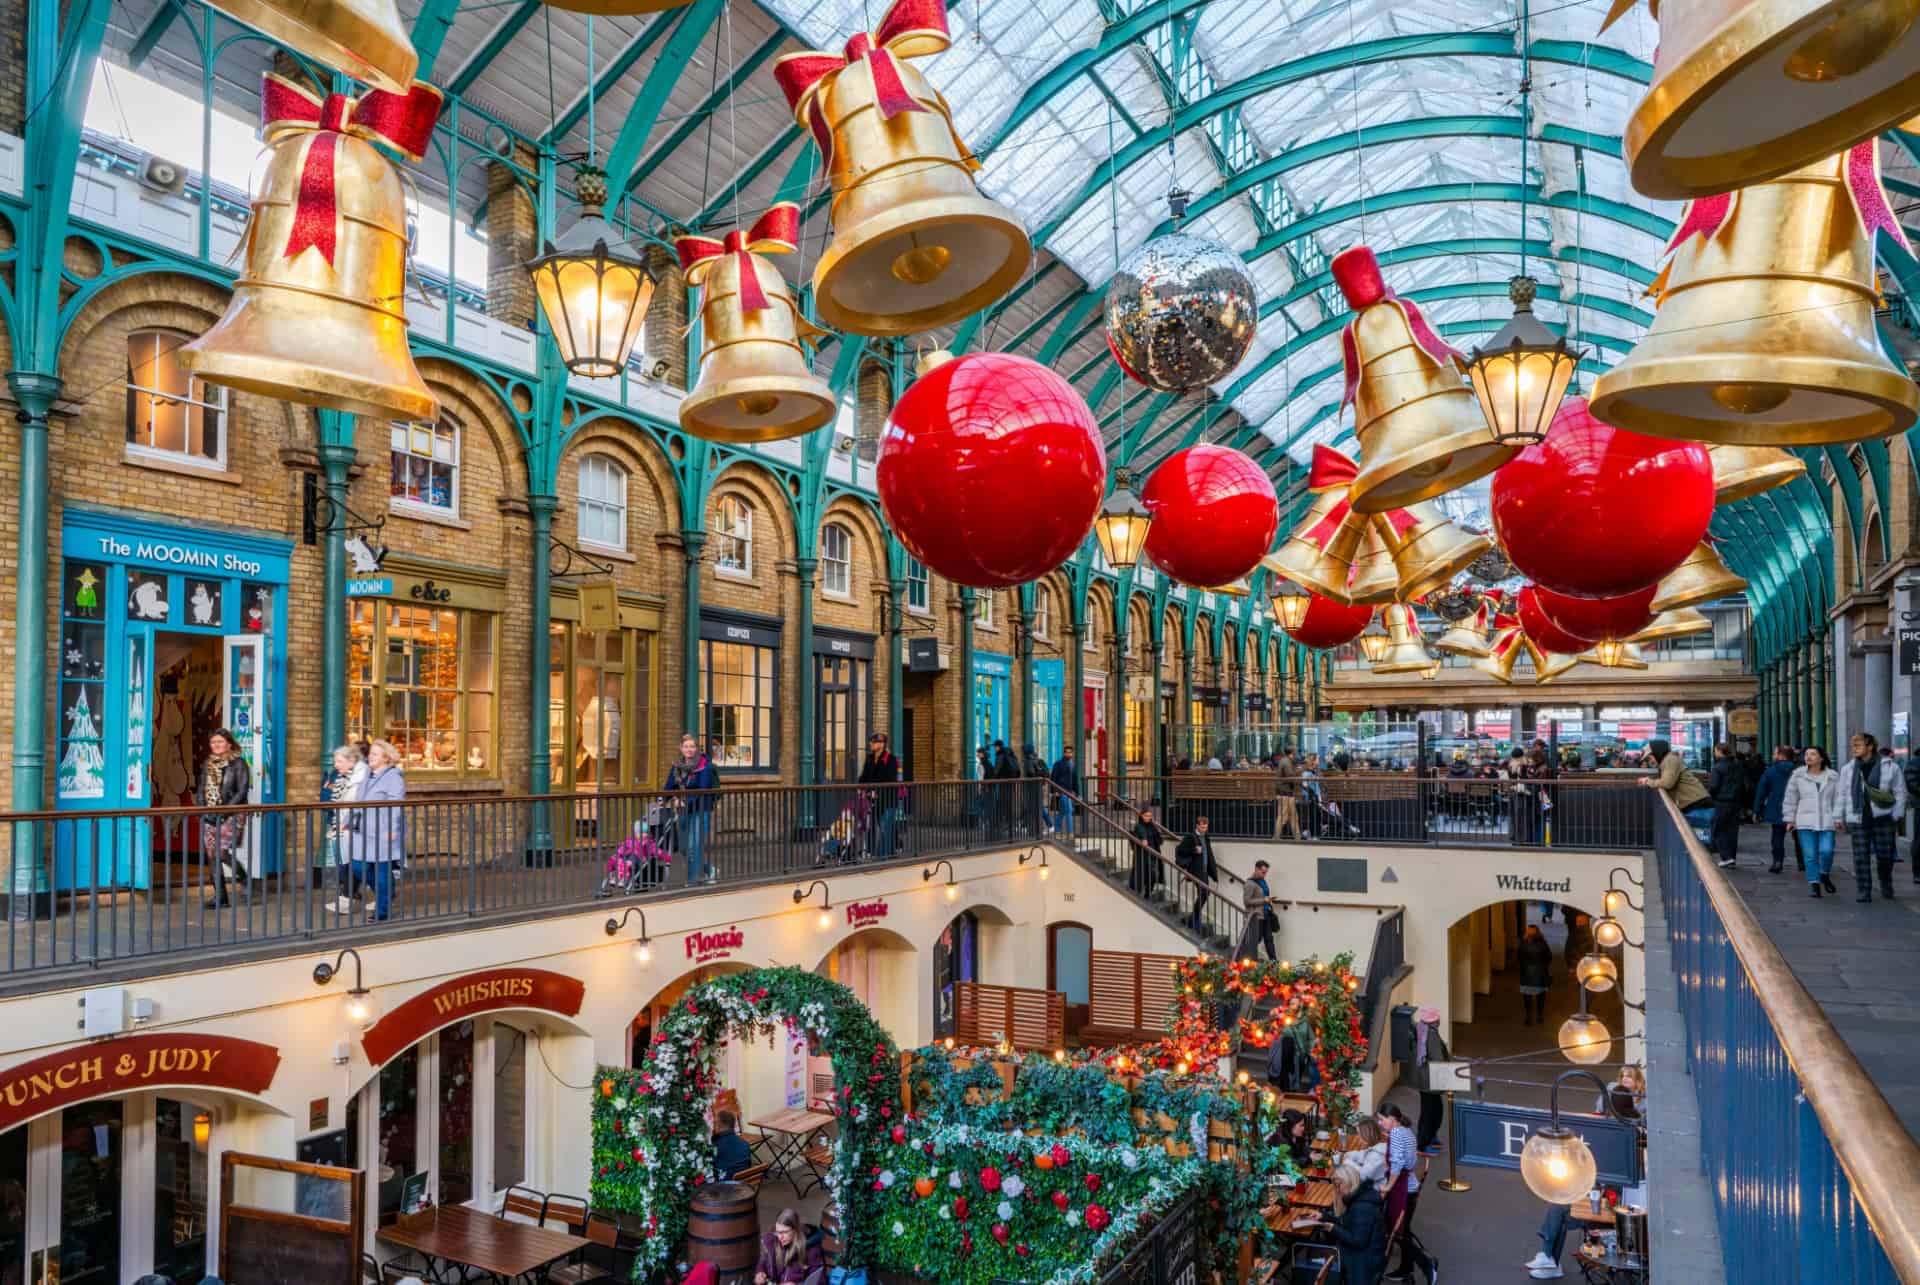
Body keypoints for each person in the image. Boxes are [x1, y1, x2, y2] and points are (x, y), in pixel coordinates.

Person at [1838, 731, 1906, 902]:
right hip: (1859, 817)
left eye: (1858, 745)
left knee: (1885, 856)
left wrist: (1897, 814)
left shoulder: (1890, 766)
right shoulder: (1848, 769)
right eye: (1853, 745)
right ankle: (1864, 890)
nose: (1854, 749)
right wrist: (1838, 816)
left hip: (1883, 818)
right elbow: (1842, 794)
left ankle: (1885, 882)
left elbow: (1900, 791)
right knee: (1860, 856)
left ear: (1870, 746)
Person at [346, 739, 406, 922]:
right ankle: (388, 892)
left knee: (382, 873)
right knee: (358, 867)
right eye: (370, 753)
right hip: (363, 832)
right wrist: (348, 820)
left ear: (386, 758)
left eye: (375, 754)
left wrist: (392, 829)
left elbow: (396, 804)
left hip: (382, 832)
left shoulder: (394, 777)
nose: (370, 757)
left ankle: (382, 912)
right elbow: (358, 801)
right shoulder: (368, 775)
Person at [1378, 1103, 1438, 1283]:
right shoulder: (1406, 1131)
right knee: (1404, 1231)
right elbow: (1409, 1161)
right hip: (1410, 1187)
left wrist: (1388, 1186)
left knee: (1397, 1232)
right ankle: (1406, 1268)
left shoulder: (1395, 1133)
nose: (1380, 1123)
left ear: (1393, 1119)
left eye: (1382, 1119)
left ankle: (1427, 1263)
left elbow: (1397, 1163)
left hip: (1402, 1190)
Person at [1302, 1165, 1388, 1285]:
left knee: (1311, 1258)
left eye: (1339, 1185)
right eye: (1335, 1186)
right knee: (1316, 1253)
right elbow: (1347, 1223)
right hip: (1369, 1256)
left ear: (1349, 1181)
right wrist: (1324, 1217)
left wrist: (1333, 1228)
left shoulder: (1361, 1207)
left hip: (1364, 1265)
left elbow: (1358, 1242)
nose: (1337, 1190)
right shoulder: (1361, 1198)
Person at [199, 728, 253, 910]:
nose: (216, 745)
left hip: (232, 813)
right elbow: (201, 789)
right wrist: (201, 809)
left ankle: (244, 878)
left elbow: (242, 791)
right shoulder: (208, 764)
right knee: (212, 855)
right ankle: (220, 897)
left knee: (221, 853)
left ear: (229, 743)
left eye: (220, 742)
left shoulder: (239, 764)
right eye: (213, 742)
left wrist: (224, 811)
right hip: (210, 813)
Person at [1782, 745, 1842, 896]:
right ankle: (1814, 884)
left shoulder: (1833, 776)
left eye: (1813, 754)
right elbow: (1790, 798)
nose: (1808, 757)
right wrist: (1790, 819)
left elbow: (1839, 798)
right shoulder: (1798, 776)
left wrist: (1838, 817)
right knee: (1810, 855)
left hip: (1827, 820)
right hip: (1804, 821)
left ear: (1821, 758)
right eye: (1806, 754)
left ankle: (1824, 874)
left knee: (1827, 851)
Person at [665, 733, 719, 885]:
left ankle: (691, 882)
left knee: (693, 847)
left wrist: (684, 801)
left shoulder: (704, 766)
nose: (689, 749)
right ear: (681, 748)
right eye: (686, 746)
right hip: (683, 811)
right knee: (683, 848)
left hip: (701, 810)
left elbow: (702, 789)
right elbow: (669, 787)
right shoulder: (677, 766)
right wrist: (663, 800)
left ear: (697, 748)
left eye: (692, 746)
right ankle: (709, 869)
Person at [324, 743, 370, 915]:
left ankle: (347, 900)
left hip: (355, 828)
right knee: (348, 865)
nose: (336, 765)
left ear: (351, 761)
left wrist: (347, 824)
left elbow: (358, 804)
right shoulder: (343, 778)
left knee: (352, 866)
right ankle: (374, 894)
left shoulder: (360, 777)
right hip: (343, 827)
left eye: (339, 761)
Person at [1641, 737, 1713, 837]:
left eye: (1650, 757)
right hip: (1695, 804)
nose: (1650, 761)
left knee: (1699, 841)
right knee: (1697, 840)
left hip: (1697, 806)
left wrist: (1648, 781)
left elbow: (1667, 783)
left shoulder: (1670, 760)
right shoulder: (1668, 760)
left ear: (1657, 752)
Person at [1410, 1006, 1448, 1154]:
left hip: (1424, 1080)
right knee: (1431, 1112)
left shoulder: (1422, 1029)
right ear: (1435, 1020)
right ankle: (1423, 1144)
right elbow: (1438, 1058)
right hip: (1430, 1081)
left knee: (1433, 1110)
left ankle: (1430, 1137)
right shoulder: (1431, 1035)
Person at [856, 732, 902, 857]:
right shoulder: (870, 758)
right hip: (873, 799)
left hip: (887, 799)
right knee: (876, 826)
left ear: (881, 744)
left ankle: (883, 855)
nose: (871, 744)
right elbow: (864, 776)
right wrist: (859, 787)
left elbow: (890, 779)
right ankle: (882, 849)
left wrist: (877, 791)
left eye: (874, 742)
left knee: (885, 827)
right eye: (871, 741)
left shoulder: (891, 759)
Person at [1753, 744, 1796, 873]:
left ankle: (1778, 861)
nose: (1773, 756)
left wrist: (1757, 810)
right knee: (1800, 837)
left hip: (1777, 808)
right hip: (1797, 807)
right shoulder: (1798, 770)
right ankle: (1803, 862)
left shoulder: (1771, 771)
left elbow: (1761, 791)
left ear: (1781, 755)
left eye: (1775, 753)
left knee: (1777, 837)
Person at [753, 1208, 823, 1285]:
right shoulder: (771, 1242)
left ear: (795, 1230)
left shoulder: (811, 1250)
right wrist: (760, 1272)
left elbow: (819, 1280)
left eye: (785, 1232)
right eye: (778, 1232)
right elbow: (762, 1262)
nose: (780, 1237)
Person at [1705, 741, 1745, 868]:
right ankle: (1731, 857)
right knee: (1732, 831)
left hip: (1722, 802)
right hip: (1736, 802)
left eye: (1715, 750)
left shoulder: (1717, 767)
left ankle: (1726, 857)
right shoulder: (1737, 765)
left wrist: (1709, 795)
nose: (1714, 752)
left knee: (1718, 829)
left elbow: (1714, 786)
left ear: (1719, 751)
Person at [1175, 816, 1218, 931]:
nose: (1204, 829)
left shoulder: (1205, 837)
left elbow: (1210, 855)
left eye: (1206, 827)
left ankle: (1194, 917)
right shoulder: (1190, 837)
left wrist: (1214, 873)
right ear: (1197, 826)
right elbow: (1180, 850)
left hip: (1204, 870)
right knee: (1204, 892)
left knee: (1204, 893)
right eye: (1202, 827)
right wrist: (1194, 850)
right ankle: (1194, 918)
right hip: (1195, 870)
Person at [1241, 858, 1280, 960]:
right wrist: (1264, 900)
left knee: (1269, 940)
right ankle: (1248, 960)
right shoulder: (1250, 883)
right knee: (1255, 940)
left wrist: (1269, 901)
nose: (1264, 875)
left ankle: (1274, 963)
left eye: (1266, 873)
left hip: (1266, 914)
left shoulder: (1262, 881)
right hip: (1256, 916)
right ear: (1256, 869)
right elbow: (1247, 901)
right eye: (1263, 872)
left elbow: (1264, 896)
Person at [1525, 1203, 1576, 1279]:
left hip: (1594, 1213)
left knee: (1557, 1209)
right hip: (1588, 1205)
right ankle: (1551, 1264)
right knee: (1558, 1211)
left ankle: (1547, 1256)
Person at [1517, 923, 1553, 1026]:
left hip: (1526, 975)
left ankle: (1528, 1016)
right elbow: (1549, 957)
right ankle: (1539, 1016)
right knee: (1540, 997)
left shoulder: (1523, 944)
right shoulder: (1543, 944)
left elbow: (1518, 958)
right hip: (1540, 974)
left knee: (1527, 997)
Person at [1339, 1119, 1390, 1187]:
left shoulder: (1377, 1155)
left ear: (1367, 1135)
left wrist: (1348, 1161)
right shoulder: (1378, 1147)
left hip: (1373, 1190)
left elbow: (1363, 1175)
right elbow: (1362, 1154)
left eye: (1360, 1135)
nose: (1358, 1137)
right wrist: (1348, 1154)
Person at [1130, 806, 1168, 896]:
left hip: (1153, 855)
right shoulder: (1138, 825)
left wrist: (1158, 836)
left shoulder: (1152, 826)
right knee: (1141, 875)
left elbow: (1159, 840)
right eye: (1146, 816)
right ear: (1141, 816)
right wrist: (1143, 839)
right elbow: (1141, 831)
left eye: (1150, 816)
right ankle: (1138, 893)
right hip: (1142, 855)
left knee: (1153, 875)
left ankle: (1147, 893)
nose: (1148, 818)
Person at [713, 1108, 752, 1179]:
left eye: (714, 1123)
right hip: (744, 1185)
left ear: (719, 1125)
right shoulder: (745, 1144)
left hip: (725, 1187)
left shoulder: (715, 1147)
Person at [1050, 745, 1080, 837]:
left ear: (1072, 753)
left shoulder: (1073, 764)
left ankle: (1057, 830)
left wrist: (1078, 793)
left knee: (1063, 811)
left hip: (1069, 792)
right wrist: (1053, 791)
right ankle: (1070, 832)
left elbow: (1075, 779)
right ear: (1064, 753)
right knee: (1069, 810)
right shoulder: (1058, 764)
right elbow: (1053, 778)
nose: (1068, 754)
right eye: (1066, 752)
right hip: (1061, 791)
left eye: (1070, 752)